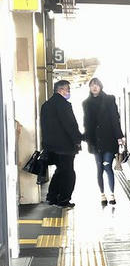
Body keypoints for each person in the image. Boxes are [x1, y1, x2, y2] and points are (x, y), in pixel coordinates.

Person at [82, 77, 126, 205]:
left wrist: (119, 136)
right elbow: (86, 123)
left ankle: (112, 194)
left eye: (96, 85)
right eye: (92, 85)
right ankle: (102, 194)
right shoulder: (86, 103)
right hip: (95, 141)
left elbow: (115, 119)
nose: (94, 87)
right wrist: (85, 138)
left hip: (109, 139)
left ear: (101, 86)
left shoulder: (109, 99)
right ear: (90, 88)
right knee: (99, 168)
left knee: (107, 166)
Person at [40, 80, 83, 208]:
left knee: (59, 171)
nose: (69, 92)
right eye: (67, 89)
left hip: (51, 147)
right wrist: (77, 140)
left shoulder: (46, 105)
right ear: (61, 90)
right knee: (68, 174)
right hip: (65, 147)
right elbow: (70, 125)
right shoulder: (64, 105)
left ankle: (52, 197)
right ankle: (64, 199)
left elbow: (44, 126)